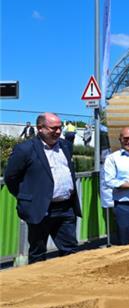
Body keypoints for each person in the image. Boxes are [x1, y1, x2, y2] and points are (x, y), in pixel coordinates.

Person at [3, 113, 82, 263]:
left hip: (65, 208)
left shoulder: (66, 146)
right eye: (54, 128)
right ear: (40, 128)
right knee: (38, 253)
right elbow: (10, 177)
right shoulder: (25, 149)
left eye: (60, 128)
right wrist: (27, 197)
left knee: (71, 252)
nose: (58, 132)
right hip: (40, 209)